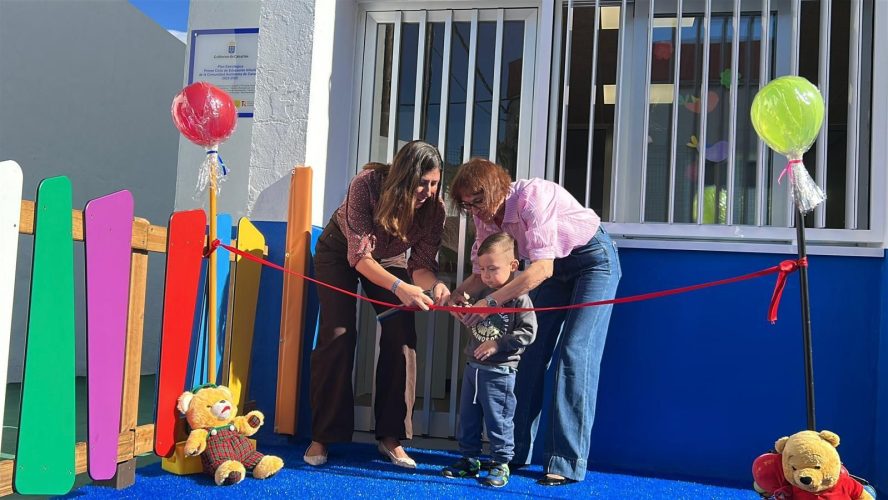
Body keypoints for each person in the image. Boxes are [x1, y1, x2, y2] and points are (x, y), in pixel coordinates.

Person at [448, 158, 621, 486]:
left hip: (591, 261)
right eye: (466, 204)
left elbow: (541, 269)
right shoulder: (486, 218)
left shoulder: (531, 198)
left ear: (498, 189)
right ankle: (511, 452)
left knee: (574, 354)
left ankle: (566, 461)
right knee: (528, 350)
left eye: (478, 200)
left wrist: (490, 302)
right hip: (550, 268)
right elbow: (482, 272)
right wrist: (459, 294)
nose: (474, 210)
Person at [304, 140, 451, 468]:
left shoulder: (434, 210)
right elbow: (359, 258)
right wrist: (402, 288)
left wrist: (437, 286)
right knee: (338, 334)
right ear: (403, 175)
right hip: (340, 252)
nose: (428, 190)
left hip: (390, 259)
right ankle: (323, 435)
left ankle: (391, 437)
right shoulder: (365, 185)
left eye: (435, 183)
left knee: (401, 334)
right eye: (422, 182)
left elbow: (422, 266)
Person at [441, 232, 536, 488]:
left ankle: (501, 463)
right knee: (469, 418)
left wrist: (498, 344)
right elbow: (473, 323)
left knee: (499, 419)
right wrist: (463, 312)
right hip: (473, 368)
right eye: (482, 269)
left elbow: (528, 332)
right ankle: (469, 459)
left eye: (492, 269)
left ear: (513, 266)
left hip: (500, 372)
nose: (486, 275)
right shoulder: (480, 292)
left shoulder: (519, 298)